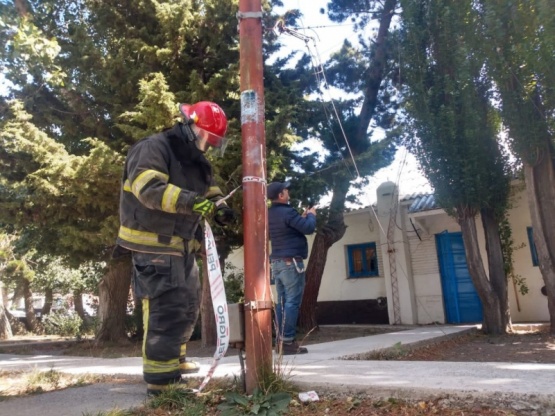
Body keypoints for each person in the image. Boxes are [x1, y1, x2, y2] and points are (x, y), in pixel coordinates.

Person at [114, 101, 236, 395]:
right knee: (166, 306)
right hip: (154, 242)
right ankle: (161, 381)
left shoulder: (193, 158)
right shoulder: (153, 148)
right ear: (190, 124)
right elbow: (149, 190)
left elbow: (208, 188)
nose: (209, 145)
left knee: (187, 304)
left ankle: (174, 360)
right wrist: (191, 202)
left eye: (215, 141)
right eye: (208, 137)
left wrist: (221, 208)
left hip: (182, 244)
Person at [267, 181, 317, 355]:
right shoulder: (288, 212)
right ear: (281, 195)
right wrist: (311, 215)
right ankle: (288, 342)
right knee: (292, 303)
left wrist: (300, 219)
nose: (288, 192)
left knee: (282, 303)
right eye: (286, 190)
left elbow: (289, 229)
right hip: (291, 263)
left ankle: (281, 341)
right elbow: (309, 228)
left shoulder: (270, 214)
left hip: (277, 263)